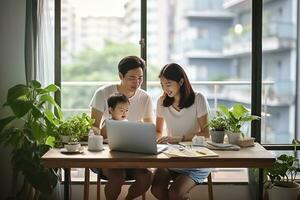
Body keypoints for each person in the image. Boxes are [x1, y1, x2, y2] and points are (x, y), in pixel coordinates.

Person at [89, 56, 153, 200]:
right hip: (106, 155)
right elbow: (93, 126)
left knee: (147, 176)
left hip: (132, 155)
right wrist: (102, 132)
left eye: (140, 78)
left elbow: (150, 128)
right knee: (118, 176)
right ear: (120, 76)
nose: (137, 83)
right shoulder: (103, 93)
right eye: (132, 78)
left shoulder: (145, 98)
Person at [151, 63, 211, 200]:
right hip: (171, 158)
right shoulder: (161, 102)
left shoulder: (198, 99)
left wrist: (179, 138)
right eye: (162, 85)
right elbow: (158, 130)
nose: (165, 89)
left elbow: (206, 134)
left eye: (168, 84)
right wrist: (156, 142)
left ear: (181, 81)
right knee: (156, 189)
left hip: (196, 159)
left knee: (175, 193)